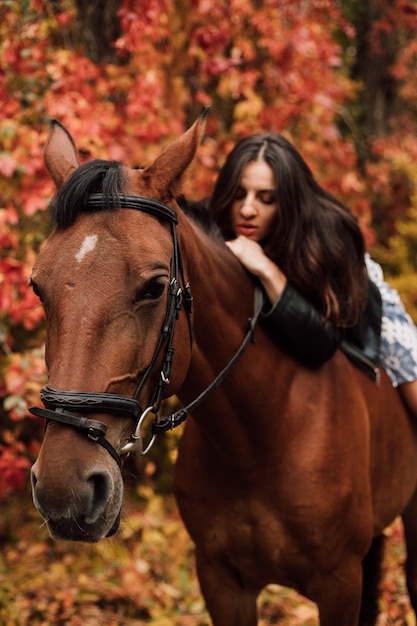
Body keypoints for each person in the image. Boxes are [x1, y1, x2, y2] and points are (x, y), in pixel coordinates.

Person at [207, 133, 417, 415]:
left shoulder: (330, 237)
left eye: (266, 199)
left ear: (288, 202)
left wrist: (267, 269)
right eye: (238, 195)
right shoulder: (215, 224)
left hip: (355, 302)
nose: (247, 209)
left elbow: (323, 341)